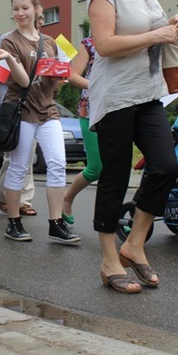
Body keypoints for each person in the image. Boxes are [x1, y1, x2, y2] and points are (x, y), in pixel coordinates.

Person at [87, 0, 178, 293]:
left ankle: (134, 244)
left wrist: (173, 24)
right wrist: (154, 35)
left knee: (165, 165)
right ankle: (108, 258)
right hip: (115, 96)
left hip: (148, 92)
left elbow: (155, 27)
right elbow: (104, 44)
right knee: (115, 174)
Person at [0, 0, 80, 244]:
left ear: (37, 10)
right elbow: (22, 80)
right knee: (19, 167)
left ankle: (56, 223)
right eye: (16, 9)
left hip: (48, 108)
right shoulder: (9, 41)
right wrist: (8, 58)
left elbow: (57, 81)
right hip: (23, 110)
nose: (20, 13)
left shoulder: (50, 42)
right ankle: (14, 222)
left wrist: (58, 74)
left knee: (58, 165)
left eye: (25, 8)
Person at [0, 16, 40, 217]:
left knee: (29, 155)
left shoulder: (43, 41)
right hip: (13, 108)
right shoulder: (7, 39)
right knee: (14, 157)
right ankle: (4, 196)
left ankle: (24, 199)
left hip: (36, 107)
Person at [62, 36, 100, 224]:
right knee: (96, 168)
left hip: (122, 108)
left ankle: (118, 217)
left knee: (119, 169)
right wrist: (97, 86)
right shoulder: (89, 43)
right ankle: (67, 198)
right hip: (91, 111)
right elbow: (73, 75)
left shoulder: (129, 38)